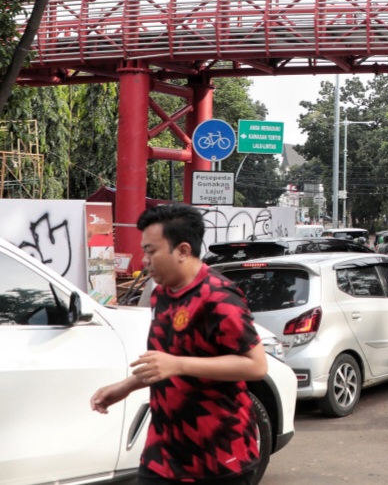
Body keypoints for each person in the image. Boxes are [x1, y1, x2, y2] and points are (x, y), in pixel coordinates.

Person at [90, 203, 268, 484]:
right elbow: (164, 362)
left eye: (151, 251)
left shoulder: (218, 297)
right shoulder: (161, 294)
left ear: (183, 251)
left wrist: (178, 364)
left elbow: (256, 365)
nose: (144, 260)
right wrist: (124, 388)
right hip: (164, 453)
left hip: (219, 455)